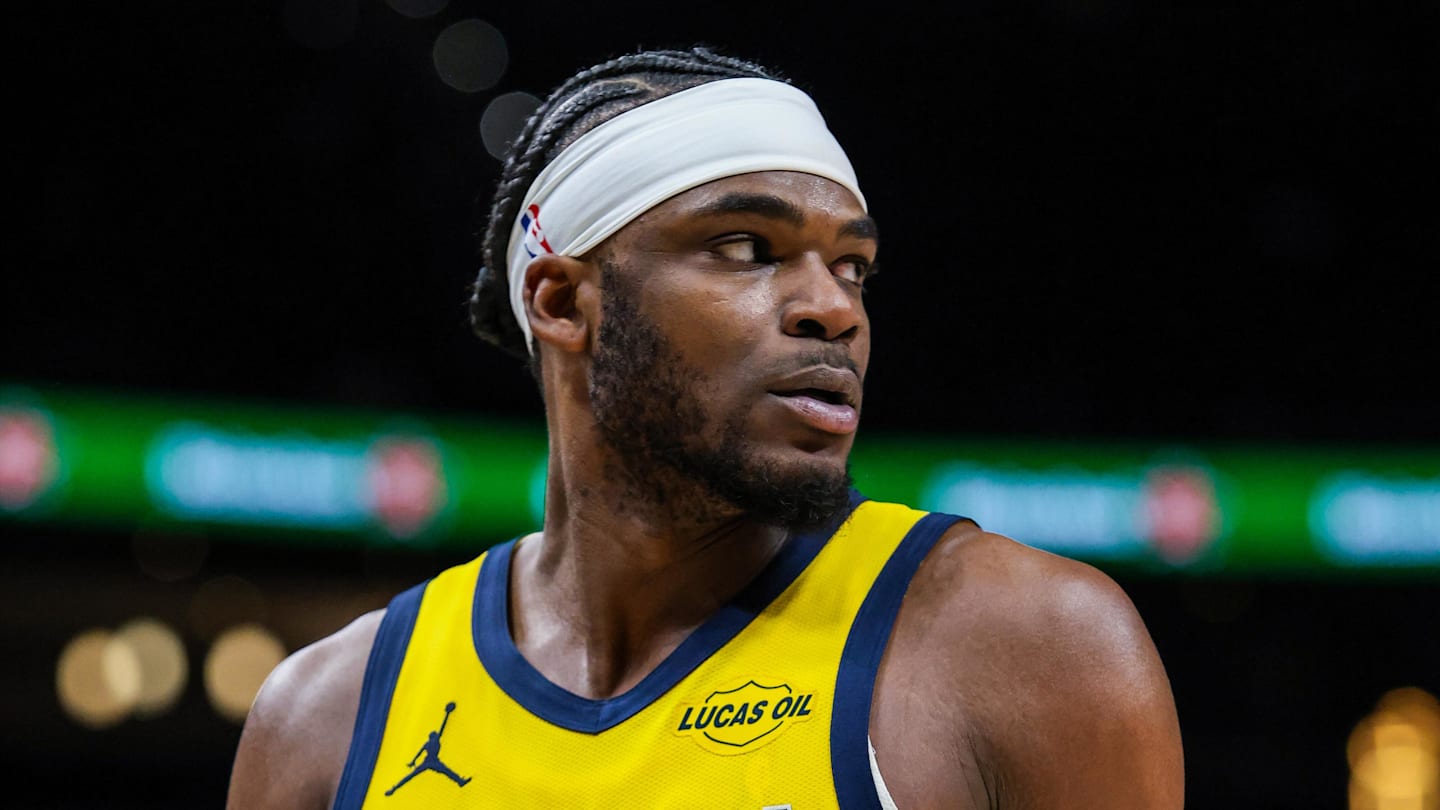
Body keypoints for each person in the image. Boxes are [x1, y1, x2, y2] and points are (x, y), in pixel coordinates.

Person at [227, 47, 1183, 809]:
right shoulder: (329, 720)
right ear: (562, 301)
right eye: (747, 249)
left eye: (853, 267)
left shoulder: (1028, 648)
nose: (831, 310)